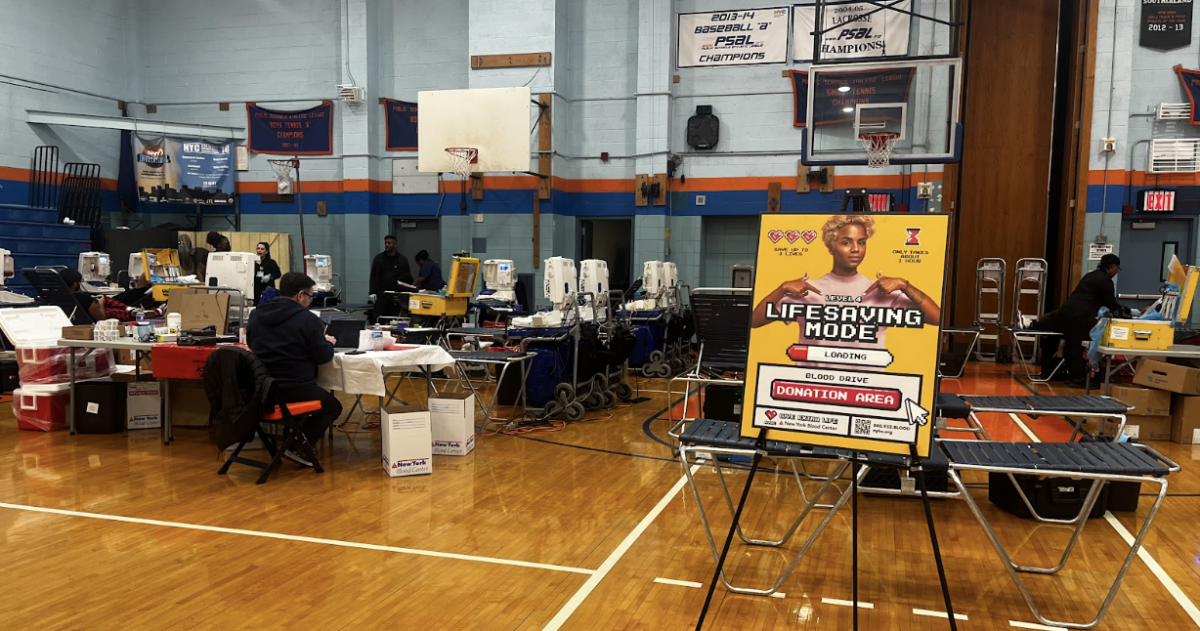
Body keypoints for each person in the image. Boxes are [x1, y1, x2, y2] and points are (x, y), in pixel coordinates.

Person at [750, 215, 941, 370]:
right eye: (846, 242)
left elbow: (937, 318)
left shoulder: (882, 290)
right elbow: (755, 321)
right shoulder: (808, 290)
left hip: (866, 392)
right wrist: (782, 289)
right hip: (812, 389)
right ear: (831, 246)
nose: (856, 249)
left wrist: (905, 285)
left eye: (862, 242)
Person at [247, 272, 343, 467]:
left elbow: (251, 343)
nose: (310, 301)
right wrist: (327, 343)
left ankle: (292, 440)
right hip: (295, 388)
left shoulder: (256, 314)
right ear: (300, 295)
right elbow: (323, 357)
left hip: (260, 390)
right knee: (333, 406)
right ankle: (298, 445)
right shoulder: (308, 320)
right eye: (310, 296)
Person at [1033, 253, 1126, 387]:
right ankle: (1076, 378)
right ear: (1112, 266)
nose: (1117, 271)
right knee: (1076, 345)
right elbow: (1111, 303)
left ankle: (1071, 375)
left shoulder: (1091, 275)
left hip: (1067, 310)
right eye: (1118, 268)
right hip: (1079, 315)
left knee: (1070, 343)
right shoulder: (1105, 281)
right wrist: (1124, 311)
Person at [368, 235, 413, 323]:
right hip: (381, 295)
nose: (387, 245)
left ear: (395, 245)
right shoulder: (379, 259)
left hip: (396, 296)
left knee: (394, 321)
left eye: (389, 243)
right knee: (378, 320)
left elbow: (408, 278)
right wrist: (372, 292)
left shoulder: (402, 260)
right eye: (385, 243)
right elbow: (373, 276)